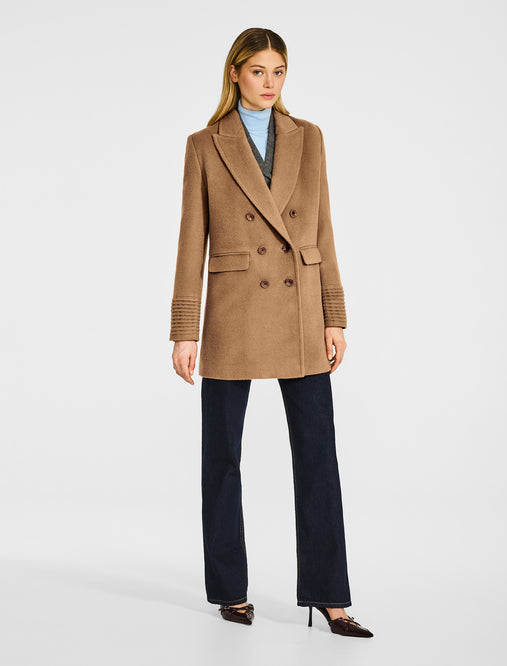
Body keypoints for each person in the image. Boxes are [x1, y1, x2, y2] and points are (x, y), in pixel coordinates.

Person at [169, 27, 373, 638]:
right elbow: (191, 241)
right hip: (233, 310)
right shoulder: (205, 144)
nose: (269, 82)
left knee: (318, 457)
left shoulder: (309, 137)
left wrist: (335, 315)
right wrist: (184, 330)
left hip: (300, 308)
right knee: (222, 458)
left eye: (278, 71)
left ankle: (330, 597)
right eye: (258, 71)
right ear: (234, 73)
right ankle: (230, 590)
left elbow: (323, 229)